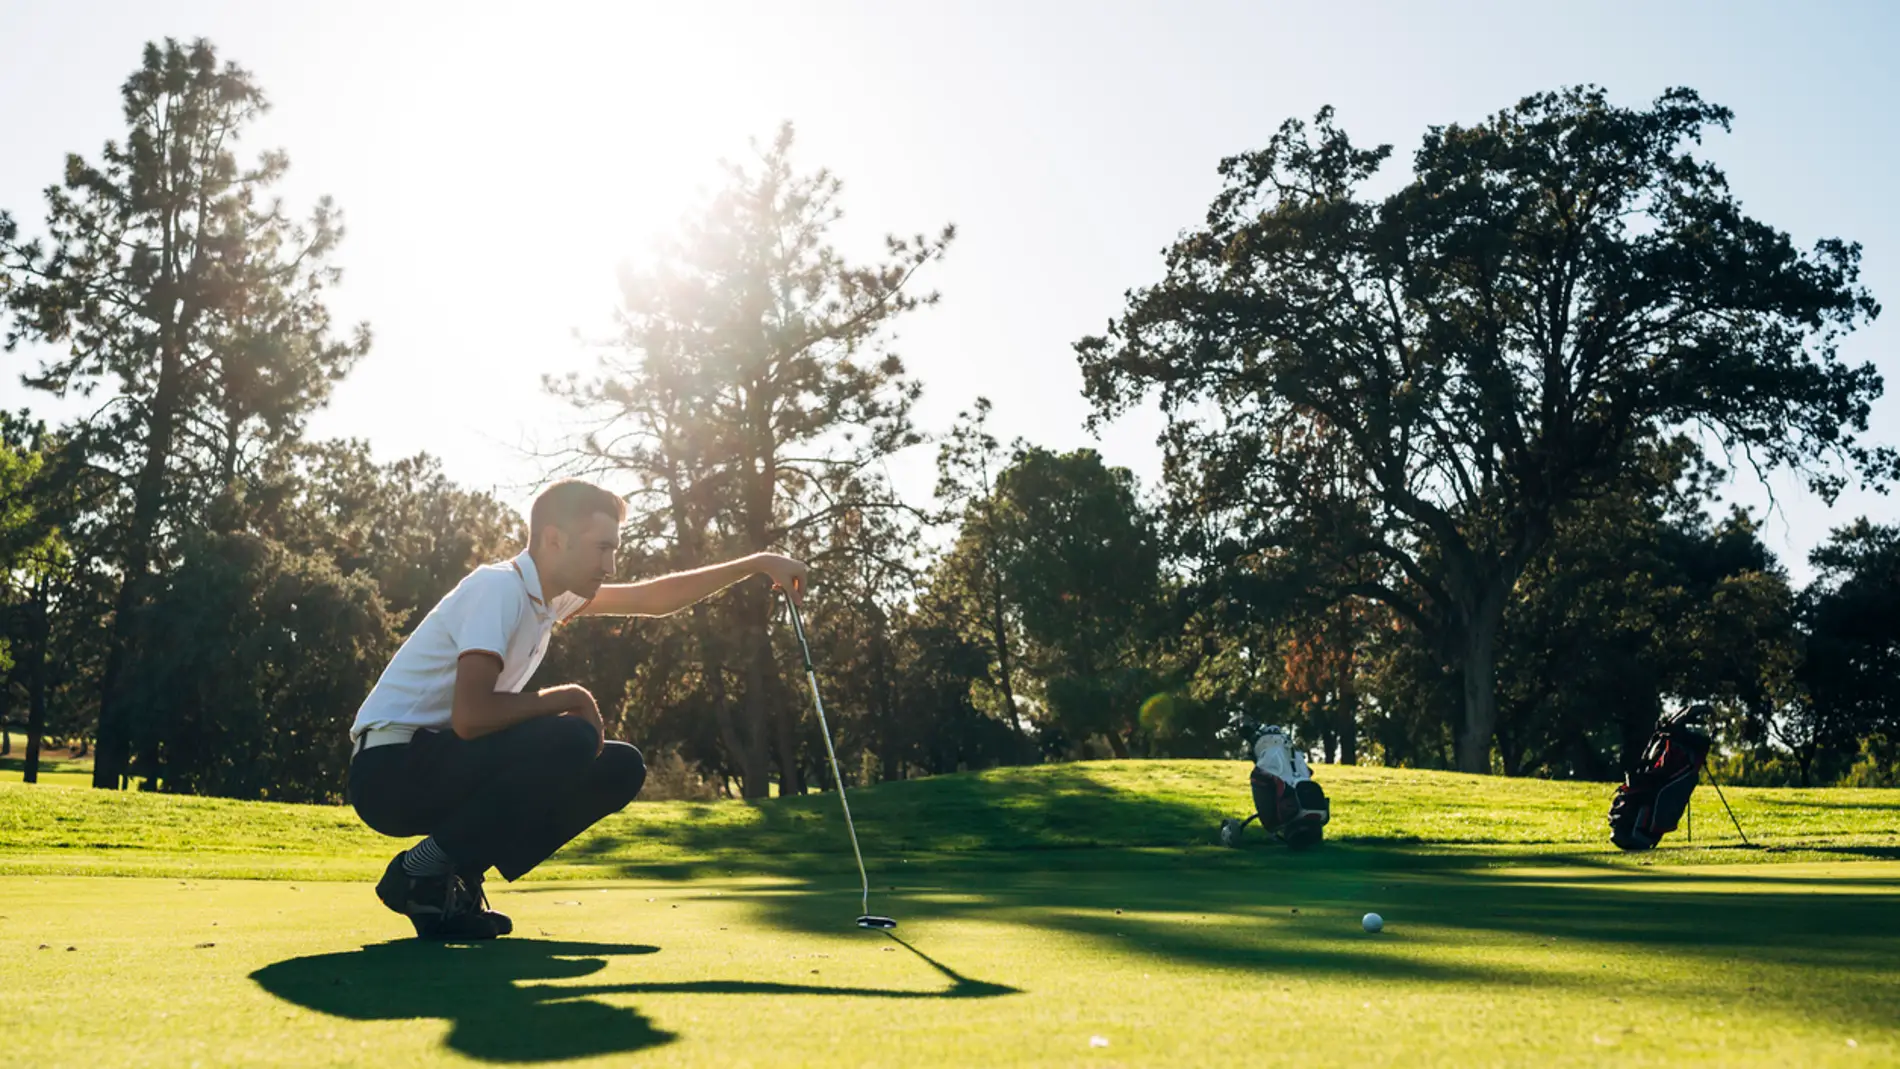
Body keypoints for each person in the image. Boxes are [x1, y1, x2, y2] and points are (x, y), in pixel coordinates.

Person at [346, 478, 807, 939]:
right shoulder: (498, 588)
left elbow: (652, 599)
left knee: (619, 766)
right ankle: (420, 872)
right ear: (553, 539)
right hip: (391, 773)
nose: (610, 565)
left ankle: (446, 882)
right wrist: (569, 697)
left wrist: (757, 564)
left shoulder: (549, 598)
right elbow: (471, 718)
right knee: (571, 737)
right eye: (602, 548)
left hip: (437, 763)